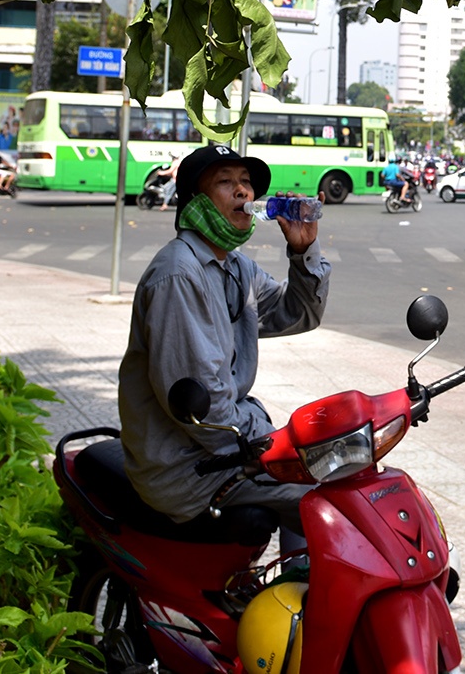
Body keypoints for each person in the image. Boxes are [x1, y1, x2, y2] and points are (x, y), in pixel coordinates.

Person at [118, 143, 329, 559]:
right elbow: (204, 408)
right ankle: (300, 614)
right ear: (195, 201)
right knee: (322, 498)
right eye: (226, 182)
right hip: (189, 468)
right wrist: (270, 449)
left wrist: (303, 251)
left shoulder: (236, 266)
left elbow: (299, 313)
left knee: (337, 473)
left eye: (247, 183)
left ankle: (300, 599)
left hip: (225, 448)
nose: (243, 193)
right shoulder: (179, 275)